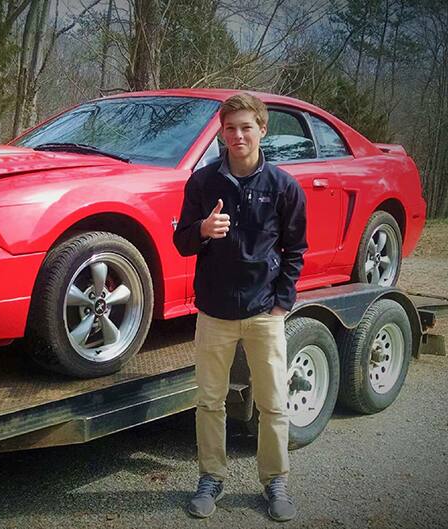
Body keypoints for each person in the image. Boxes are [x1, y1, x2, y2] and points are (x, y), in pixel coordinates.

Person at [173, 93, 307, 522]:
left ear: (262, 129)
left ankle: (275, 481)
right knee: (210, 401)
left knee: (273, 403)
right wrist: (202, 229)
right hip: (214, 311)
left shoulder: (284, 186)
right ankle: (210, 477)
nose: (238, 135)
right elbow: (181, 243)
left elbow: (295, 250)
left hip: (263, 312)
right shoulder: (203, 182)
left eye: (246, 127)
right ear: (221, 133)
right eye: (230, 128)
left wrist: (281, 304)